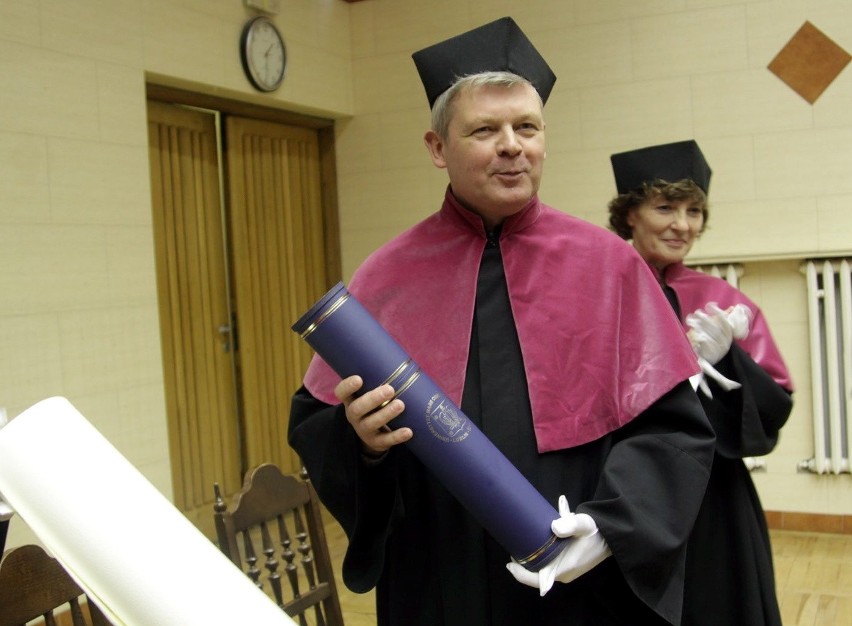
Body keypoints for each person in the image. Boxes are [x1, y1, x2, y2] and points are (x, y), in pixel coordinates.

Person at [289, 18, 716, 626]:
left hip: (582, 574)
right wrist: (361, 442)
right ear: (438, 149)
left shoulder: (608, 263)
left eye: (527, 127)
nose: (512, 145)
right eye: (485, 129)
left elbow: (675, 430)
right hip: (440, 570)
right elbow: (318, 421)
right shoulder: (386, 273)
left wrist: (613, 524)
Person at [607, 140, 794, 626]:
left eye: (694, 211)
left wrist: (730, 361)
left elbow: (773, 405)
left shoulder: (722, 301)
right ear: (630, 214)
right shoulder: (601, 288)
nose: (682, 225)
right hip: (627, 489)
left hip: (712, 502)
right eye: (665, 207)